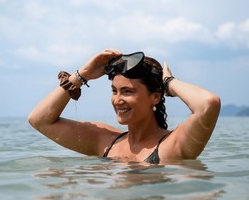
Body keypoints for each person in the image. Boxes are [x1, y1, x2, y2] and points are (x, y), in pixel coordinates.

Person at [28, 49, 221, 165]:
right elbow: (39, 120)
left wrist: (169, 82)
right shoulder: (105, 141)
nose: (117, 100)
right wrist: (82, 75)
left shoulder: (173, 145)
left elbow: (207, 104)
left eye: (128, 92)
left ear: (155, 96)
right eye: (114, 91)